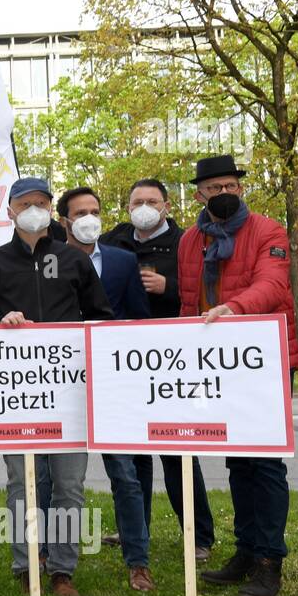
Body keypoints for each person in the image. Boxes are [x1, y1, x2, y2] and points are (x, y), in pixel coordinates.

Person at [0, 177, 113, 596]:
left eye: (41, 202)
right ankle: (27, 562)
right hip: (15, 397)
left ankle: (63, 569)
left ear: (51, 209)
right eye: (24, 203)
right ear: (9, 210)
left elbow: (101, 318)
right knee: (22, 482)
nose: (33, 209)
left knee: (69, 484)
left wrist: (77, 337)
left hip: (68, 395)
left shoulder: (74, 261)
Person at [178, 156, 298, 596]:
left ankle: (270, 561)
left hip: (265, 362)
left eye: (230, 185)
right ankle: (245, 552)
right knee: (237, 461)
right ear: (199, 195)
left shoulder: (269, 232)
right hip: (217, 365)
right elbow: (188, 303)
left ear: (242, 188)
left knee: (266, 462)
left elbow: (273, 285)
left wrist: (235, 308)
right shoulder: (190, 240)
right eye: (214, 188)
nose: (224, 193)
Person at [100, 178, 216, 564]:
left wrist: (168, 286)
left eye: (152, 201)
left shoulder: (187, 243)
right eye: (137, 201)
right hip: (123, 360)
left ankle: (198, 535)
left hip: (171, 358)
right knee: (133, 456)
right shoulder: (114, 241)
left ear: (167, 206)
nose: (144, 207)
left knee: (177, 450)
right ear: (127, 206)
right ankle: (136, 528)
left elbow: (203, 291)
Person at [57, 187, 155, 592]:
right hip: (61, 382)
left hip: (113, 383)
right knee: (59, 479)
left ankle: (138, 561)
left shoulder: (122, 261)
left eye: (95, 211)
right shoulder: (49, 260)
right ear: (64, 219)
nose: (89, 218)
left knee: (126, 474)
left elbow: (139, 318)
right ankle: (55, 561)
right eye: (81, 212)